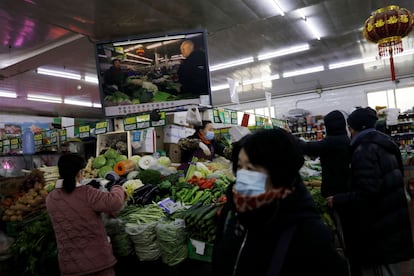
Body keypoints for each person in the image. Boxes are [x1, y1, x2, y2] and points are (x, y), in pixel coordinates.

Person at [212, 128, 348, 276]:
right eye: (239, 167)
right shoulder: (232, 212)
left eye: (251, 169)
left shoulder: (309, 236)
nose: (242, 176)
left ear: (279, 174)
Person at [327, 107, 414, 276]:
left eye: (350, 128)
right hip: (391, 216)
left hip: (378, 223)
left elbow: (369, 192)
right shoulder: (385, 142)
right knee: (387, 267)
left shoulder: (363, 150)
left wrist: (338, 199)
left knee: (378, 269)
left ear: (353, 129)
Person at [45, 153, 126, 276]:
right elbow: (115, 202)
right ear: (79, 173)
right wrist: (116, 186)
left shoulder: (50, 198)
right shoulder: (87, 193)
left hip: (69, 265)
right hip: (97, 263)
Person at [298, 110, 351, 197]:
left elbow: (308, 148)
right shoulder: (345, 138)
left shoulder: (332, 141)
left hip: (334, 189)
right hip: (344, 186)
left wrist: (288, 136)